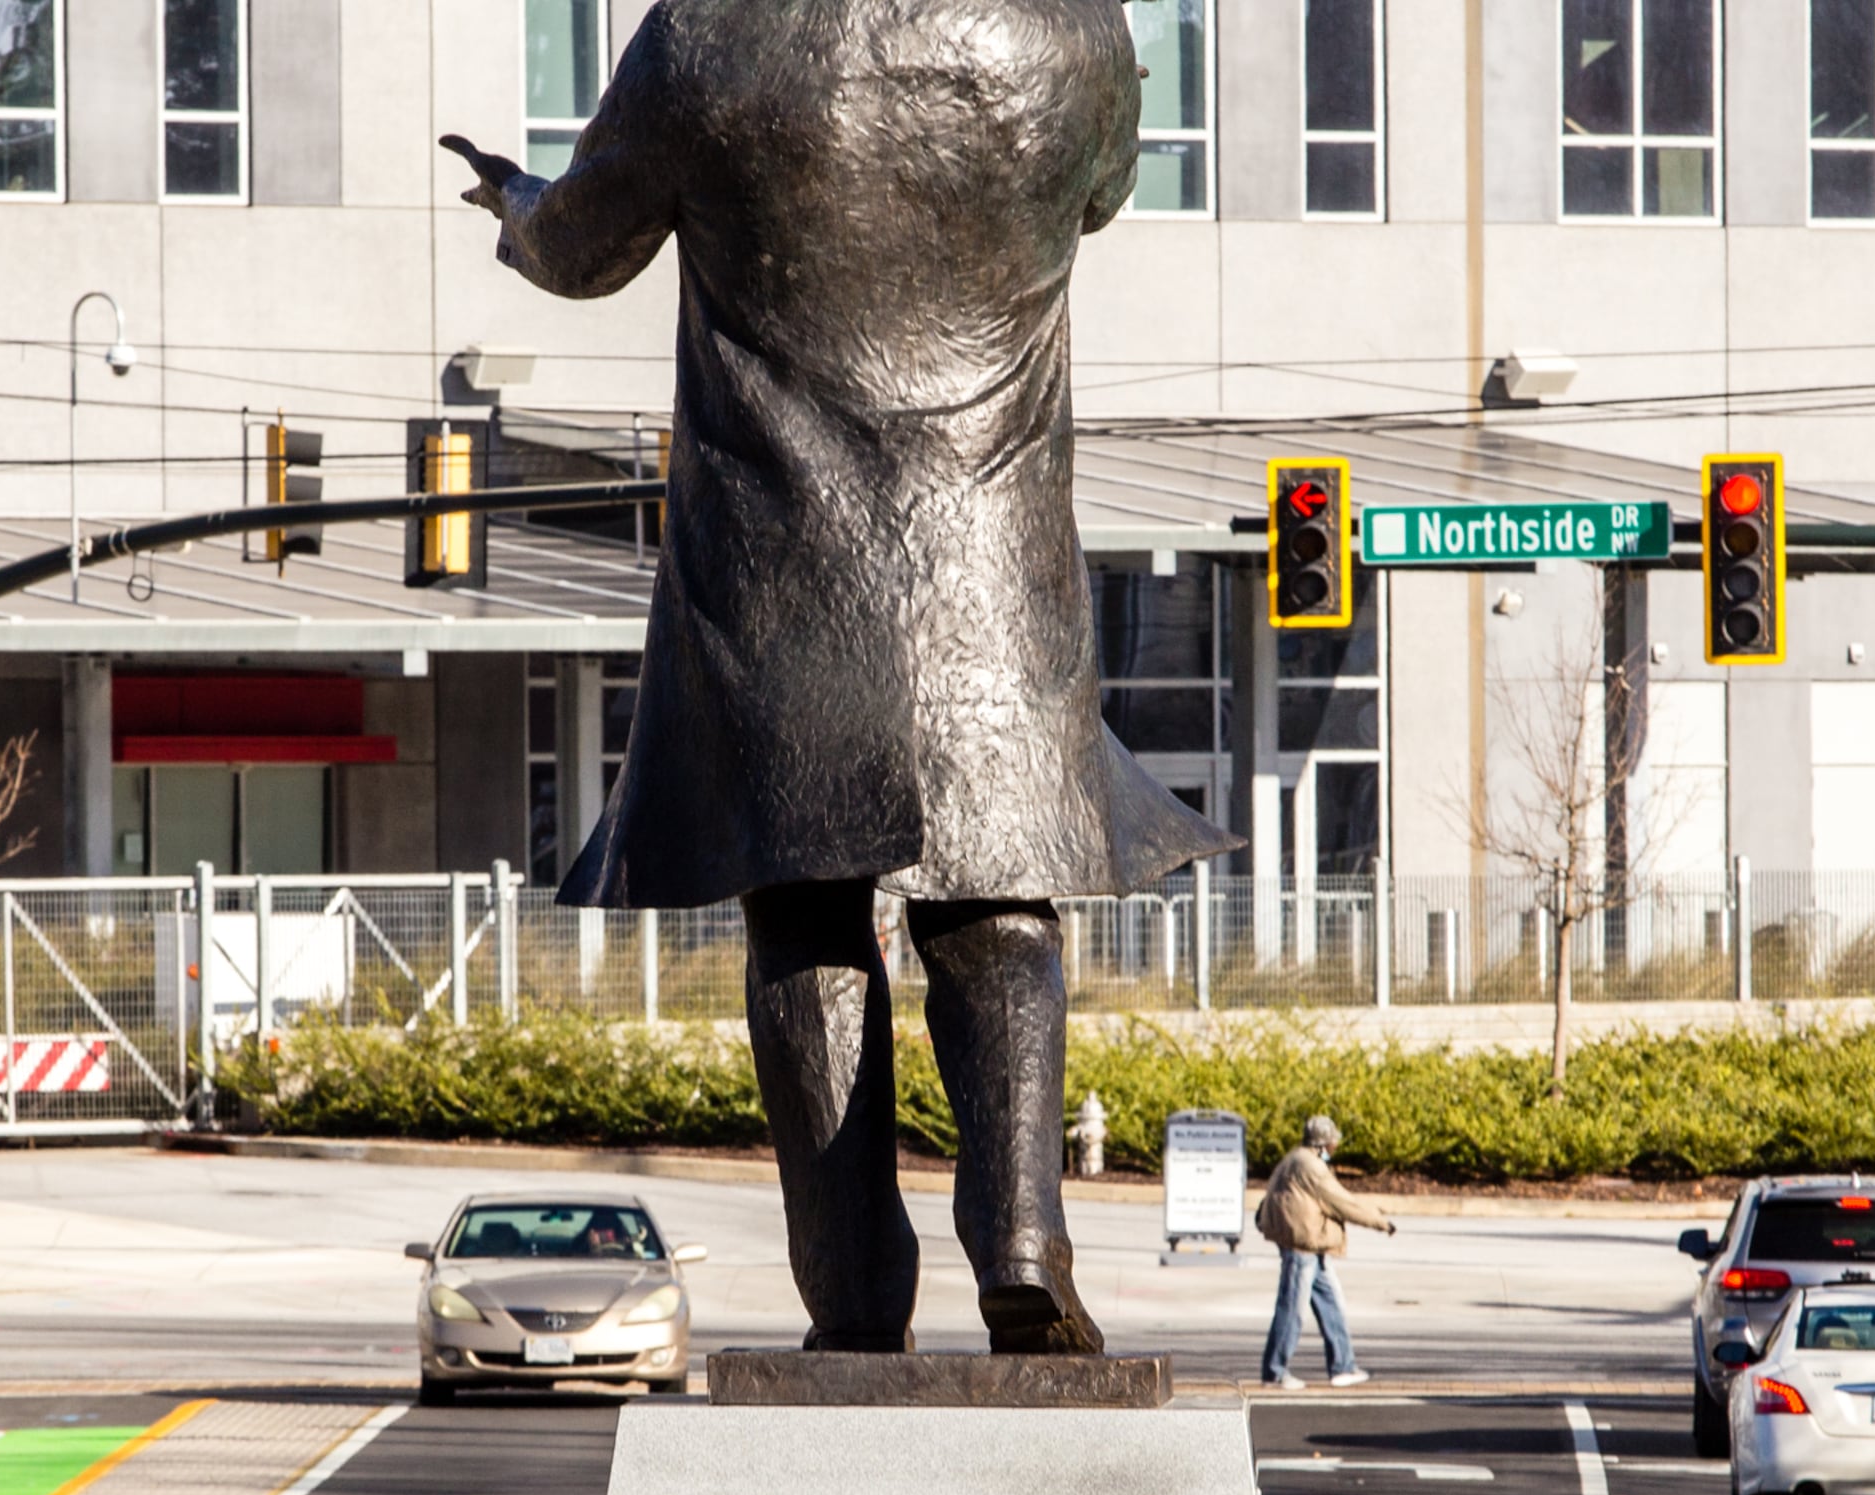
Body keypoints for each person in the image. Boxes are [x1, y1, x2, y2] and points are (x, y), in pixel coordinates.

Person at [438, 1, 1233, 1357]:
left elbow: (579, 248)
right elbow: (1101, 191)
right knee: (999, 915)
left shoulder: (705, 37)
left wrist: (514, 199)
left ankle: (856, 1294)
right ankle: (1024, 1237)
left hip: (781, 572)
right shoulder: (1068, 34)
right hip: (992, 569)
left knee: (806, 922)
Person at [1257, 1115, 1395, 1389]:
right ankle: (1274, 1372)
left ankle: (1343, 1366)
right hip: (1302, 1248)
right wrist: (1380, 1221)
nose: (1336, 1145)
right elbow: (1341, 1202)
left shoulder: (1295, 1158)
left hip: (1313, 1247)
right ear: (1323, 1143)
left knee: (1332, 1306)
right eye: (1333, 1141)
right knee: (1292, 1309)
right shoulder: (1311, 1167)